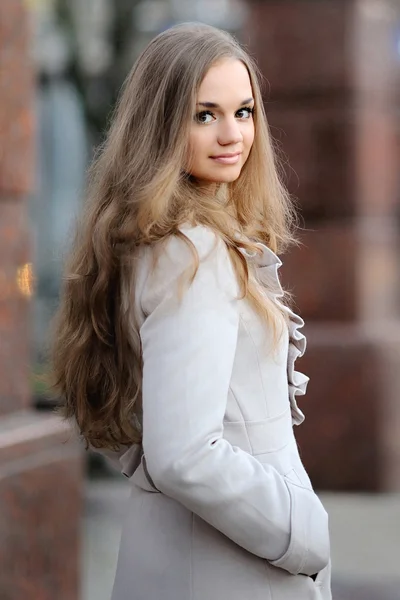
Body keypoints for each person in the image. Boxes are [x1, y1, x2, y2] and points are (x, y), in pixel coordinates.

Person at [51, 22, 331, 600]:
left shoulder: (151, 240)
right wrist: (302, 532)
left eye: (244, 111)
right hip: (231, 559)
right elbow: (183, 454)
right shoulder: (193, 253)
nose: (232, 135)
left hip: (193, 546)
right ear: (160, 126)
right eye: (204, 115)